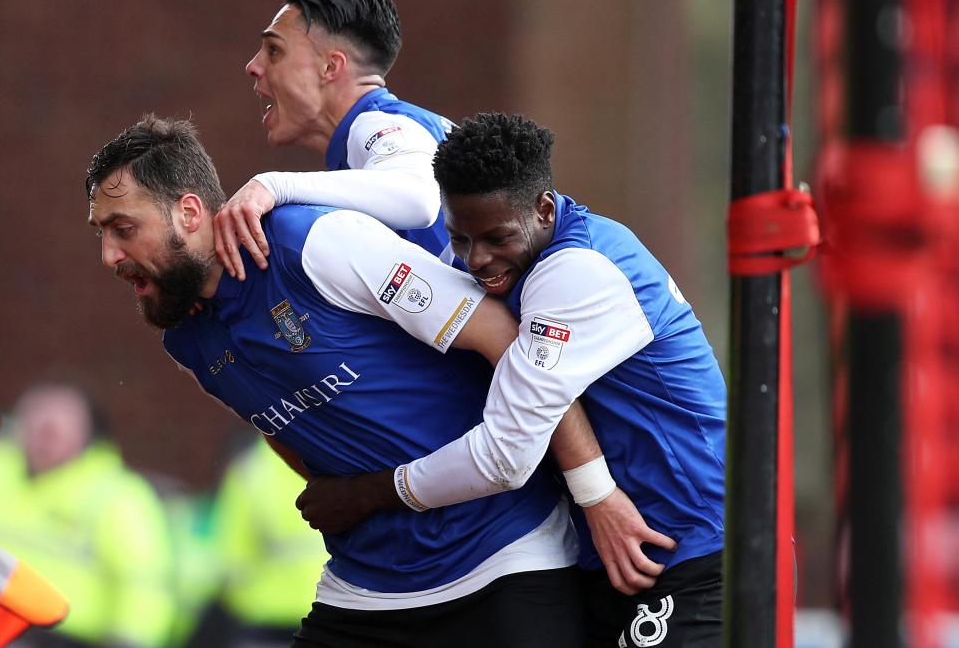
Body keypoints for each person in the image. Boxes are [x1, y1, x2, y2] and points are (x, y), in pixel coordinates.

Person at [85, 115, 594, 647]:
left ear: (189, 213)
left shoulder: (310, 242)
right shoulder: (185, 338)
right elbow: (282, 423)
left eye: (124, 228)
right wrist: (341, 497)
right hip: (366, 586)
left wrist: (595, 495)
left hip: (502, 555)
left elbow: (507, 340)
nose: (109, 256)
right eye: (102, 234)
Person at [294, 113, 728, 647]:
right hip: (621, 554)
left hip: (690, 547)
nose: (478, 260)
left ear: (544, 209)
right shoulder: (535, 262)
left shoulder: (577, 272)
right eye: (460, 238)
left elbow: (505, 453)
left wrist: (366, 494)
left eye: (497, 236)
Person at [215, 0, 456, 279]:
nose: (253, 66)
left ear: (330, 67)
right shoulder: (397, 130)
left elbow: (418, 201)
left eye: (274, 50)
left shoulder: (376, 124)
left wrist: (274, 185)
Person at [0, 383, 175, 648]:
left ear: (86, 435)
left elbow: (144, 586)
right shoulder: (4, 469)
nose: (44, 438)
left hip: (66, 638)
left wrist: (129, 642)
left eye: (55, 431)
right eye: (36, 425)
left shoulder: (116, 495)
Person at [211, 436, 331, 648]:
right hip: (333, 610)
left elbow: (231, 558)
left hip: (264, 618)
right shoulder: (341, 462)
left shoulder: (249, 471)